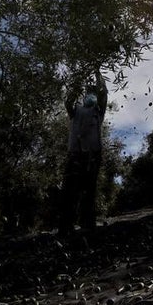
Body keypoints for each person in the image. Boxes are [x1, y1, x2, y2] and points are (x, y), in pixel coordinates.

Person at [58, 74, 108, 233]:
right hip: (75, 155)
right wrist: (76, 84)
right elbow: (68, 102)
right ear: (84, 96)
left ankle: (87, 223)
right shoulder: (76, 110)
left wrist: (98, 73)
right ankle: (65, 226)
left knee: (89, 190)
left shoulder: (98, 111)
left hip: (92, 155)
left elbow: (103, 94)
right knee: (70, 190)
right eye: (88, 93)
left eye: (93, 93)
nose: (91, 96)